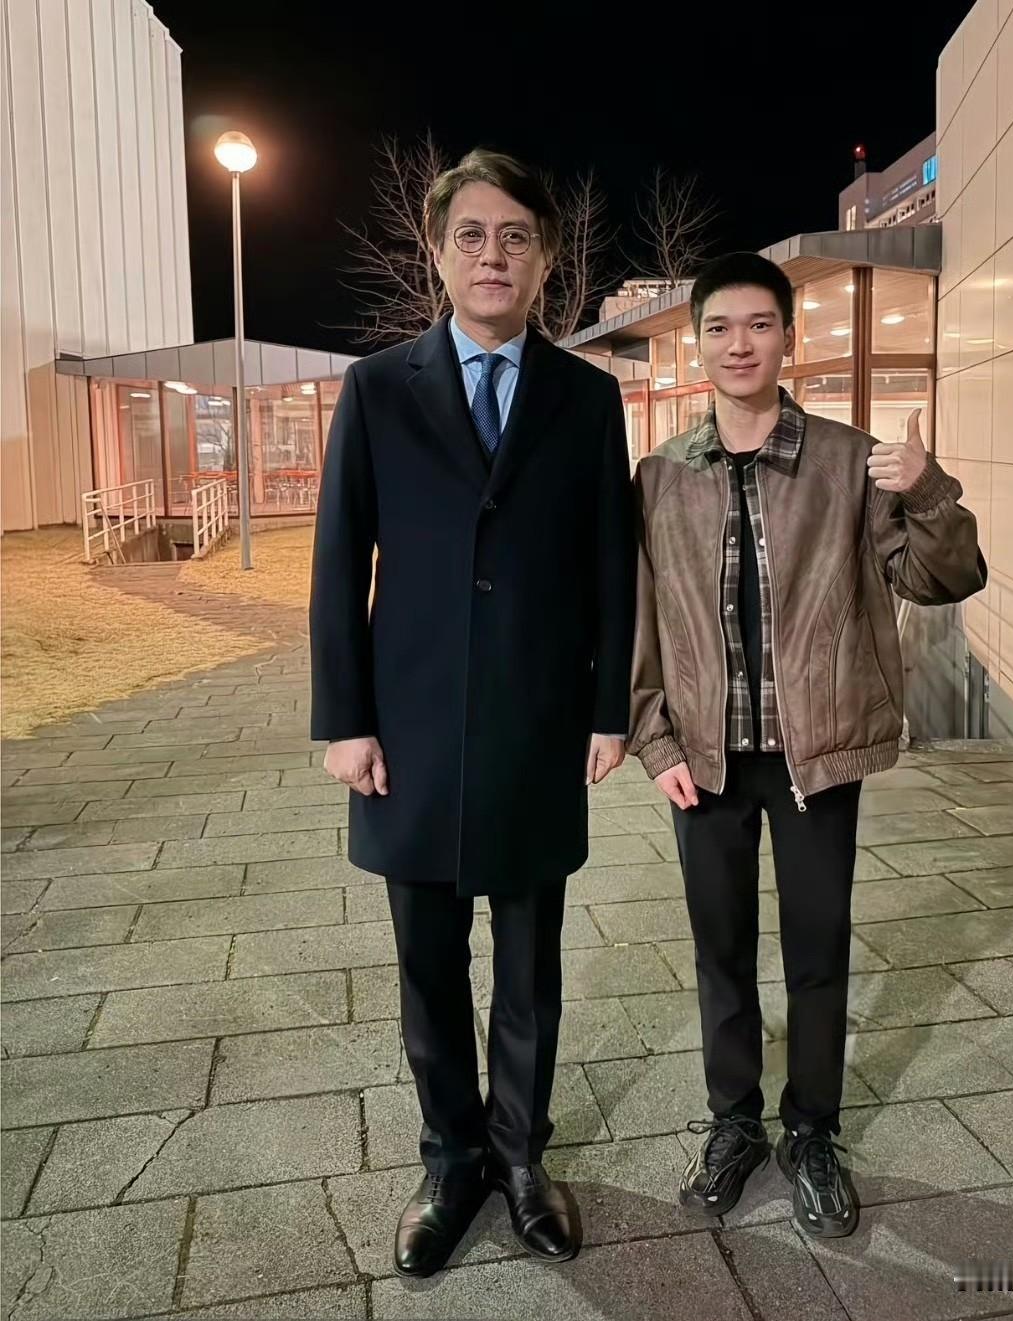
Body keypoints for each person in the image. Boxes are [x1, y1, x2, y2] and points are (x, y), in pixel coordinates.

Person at [309, 148, 635, 1278]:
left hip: (538, 723)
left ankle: (521, 1158)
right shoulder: (377, 388)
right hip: (408, 733)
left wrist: (608, 709)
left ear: (545, 261)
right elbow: (339, 558)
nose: (494, 255)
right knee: (428, 966)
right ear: (438, 254)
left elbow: (611, 565)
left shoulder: (587, 398)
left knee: (531, 963)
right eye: (472, 236)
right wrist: (344, 719)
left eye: (516, 237)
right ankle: (450, 1162)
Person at [628, 252, 986, 1239]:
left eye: (757, 325)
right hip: (702, 759)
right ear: (698, 343)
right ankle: (733, 1124)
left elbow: (943, 579)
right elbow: (639, 620)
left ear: (787, 338)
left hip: (814, 755)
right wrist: (652, 735)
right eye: (718, 327)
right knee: (719, 951)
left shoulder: (848, 462)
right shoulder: (660, 474)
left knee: (817, 952)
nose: (737, 344)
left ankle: (813, 1133)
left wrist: (928, 489)